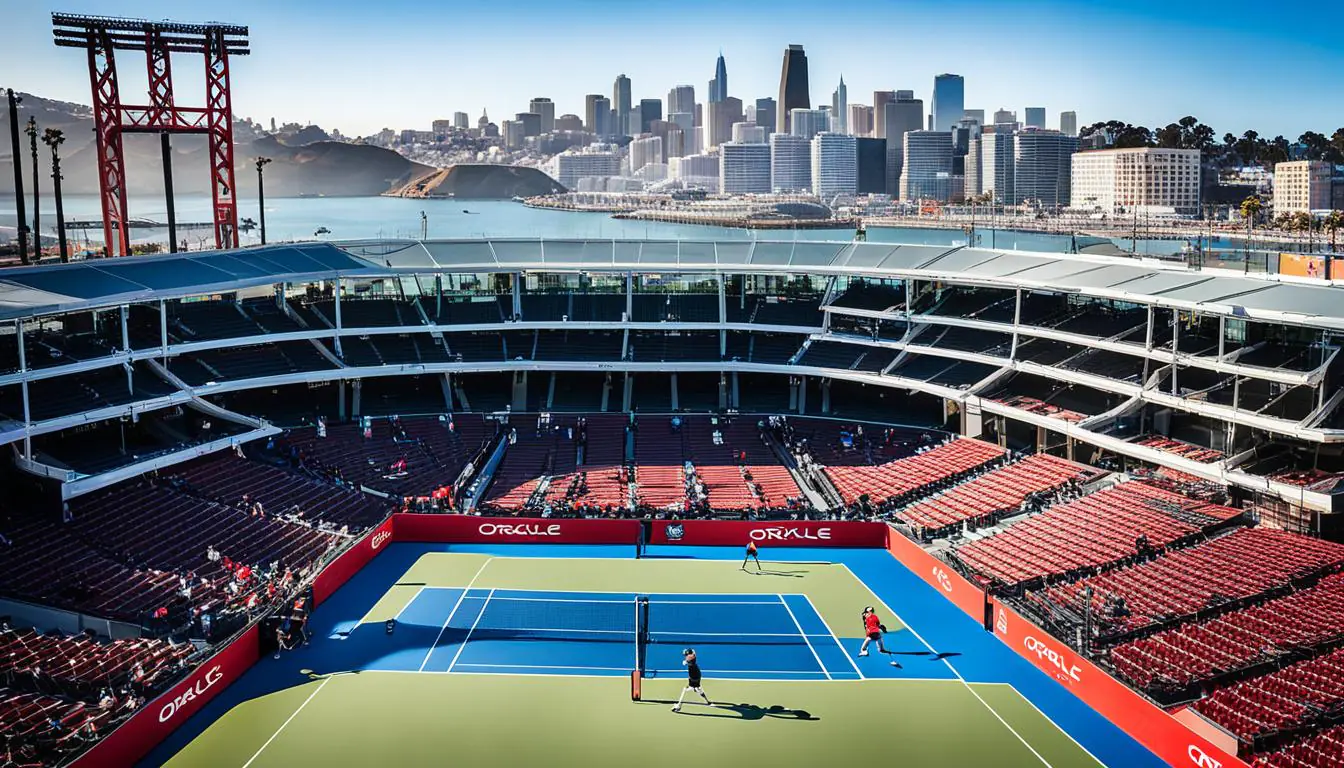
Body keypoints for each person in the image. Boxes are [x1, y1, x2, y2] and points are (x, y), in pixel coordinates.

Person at [672, 648, 714, 712]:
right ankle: (708, 702)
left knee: (685, 689)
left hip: (693, 677)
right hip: (697, 675)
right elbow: (693, 653)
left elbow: (685, 662)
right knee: (698, 688)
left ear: (689, 654)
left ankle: (678, 706)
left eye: (687, 654)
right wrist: (690, 651)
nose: (686, 656)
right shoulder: (694, 656)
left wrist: (685, 661)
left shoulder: (689, 659)